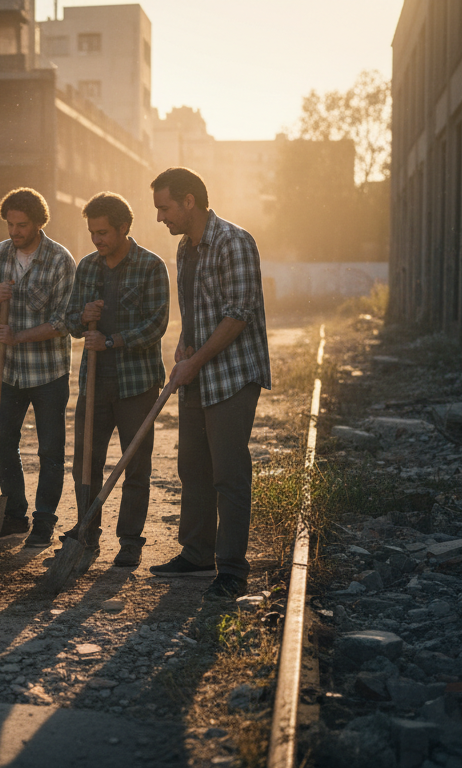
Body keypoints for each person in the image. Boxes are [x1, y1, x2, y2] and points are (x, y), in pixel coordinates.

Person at [148, 167, 272, 599]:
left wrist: (196, 360)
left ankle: (233, 569)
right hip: (197, 373)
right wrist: (184, 347)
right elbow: (196, 311)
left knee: (228, 473)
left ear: (188, 201)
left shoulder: (234, 242)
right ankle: (197, 553)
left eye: (164, 207)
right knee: (192, 468)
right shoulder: (185, 249)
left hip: (232, 376)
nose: (160, 217)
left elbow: (238, 314)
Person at [61, 192, 169, 567]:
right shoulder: (87, 267)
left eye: (104, 232)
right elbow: (71, 321)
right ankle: (87, 535)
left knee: (136, 464)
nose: (97, 240)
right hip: (94, 382)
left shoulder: (151, 267)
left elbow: (156, 326)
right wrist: (82, 315)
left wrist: (111, 341)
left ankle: (130, 541)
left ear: (125, 228)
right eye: (92, 232)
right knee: (85, 463)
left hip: (137, 384)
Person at [0, 187, 76, 547]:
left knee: (50, 450)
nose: (15, 232)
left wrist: (18, 337)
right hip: (10, 373)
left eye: (22, 225)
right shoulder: (0, 255)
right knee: (2, 443)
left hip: (48, 373)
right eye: (10, 224)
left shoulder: (60, 260)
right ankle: (14, 515)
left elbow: (64, 322)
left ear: (38, 223)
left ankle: (44, 520)